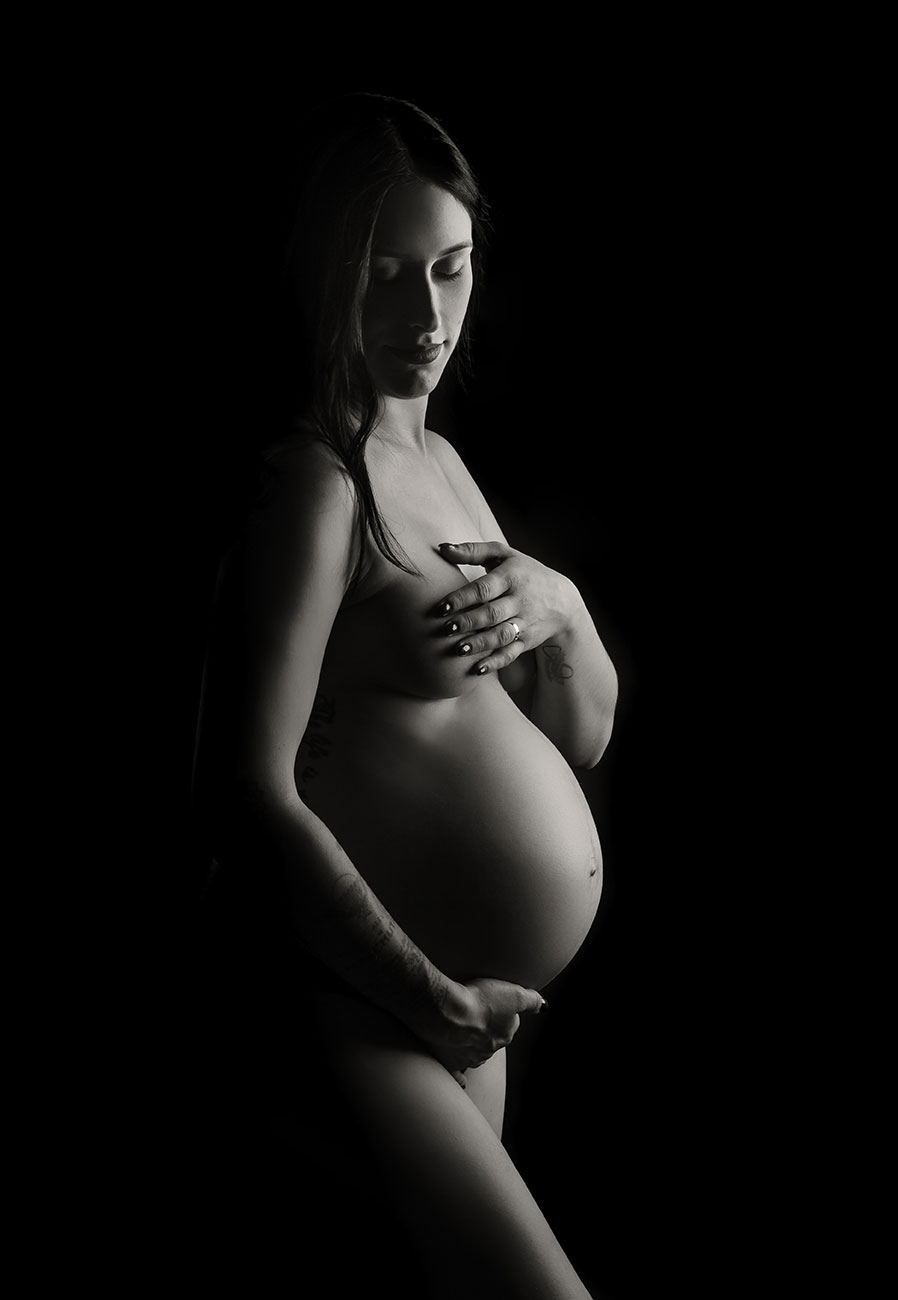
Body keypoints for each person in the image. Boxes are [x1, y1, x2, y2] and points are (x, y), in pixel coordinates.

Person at [191, 92, 619, 1299]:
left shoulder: (439, 465)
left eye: (450, 267)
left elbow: (579, 736)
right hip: (366, 999)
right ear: (322, 273)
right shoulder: (314, 481)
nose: (425, 316)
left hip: (461, 1012)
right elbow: (242, 793)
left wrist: (564, 607)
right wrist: (426, 998)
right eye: (383, 275)